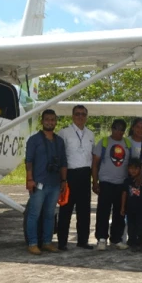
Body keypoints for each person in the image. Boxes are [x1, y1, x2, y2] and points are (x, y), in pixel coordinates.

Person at [24, 109, 68, 255]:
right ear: (42, 121)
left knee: (50, 214)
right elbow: (29, 161)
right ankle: (32, 243)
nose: (50, 122)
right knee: (34, 214)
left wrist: (64, 180)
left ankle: (47, 242)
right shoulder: (34, 140)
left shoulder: (59, 141)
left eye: (53, 119)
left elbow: (63, 163)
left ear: (56, 122)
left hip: (55, 183)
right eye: (47, 119)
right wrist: (29, 179)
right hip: (38, 183)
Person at [57, 104, 96, 250]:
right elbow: (61, 157)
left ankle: (83, 241)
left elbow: (93, 157)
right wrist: (62, 179)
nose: (80, 117)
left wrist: (94, 179)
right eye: (78, 114)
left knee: (84, 210)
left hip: (85, 174)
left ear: (86, 116)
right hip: (70, 175)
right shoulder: (64, 132)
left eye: (83, 114)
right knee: (65, 210)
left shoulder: (91, 134)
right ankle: (62, 242)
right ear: (73, 116)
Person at [92, 118, 131, 251]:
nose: (118, 131)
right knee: (103, 211)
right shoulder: (104, 142)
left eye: (121, 129)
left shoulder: (127, 144)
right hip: (106, 182)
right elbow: (95, 164)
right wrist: (95, 181)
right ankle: (101, 239)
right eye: (116, 128)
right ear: (112, 129)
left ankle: (116, 239)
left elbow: (132, 164)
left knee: (120, 213)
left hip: (121, 184)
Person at [121, 158, 142, 252]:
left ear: (140, 169)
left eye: (136, 168)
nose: (133, 171)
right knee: (131, 226)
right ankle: (132, 242)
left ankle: (141, 243)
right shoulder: (127, 181)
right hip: (130, 208)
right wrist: (122, 207)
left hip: (140, 208)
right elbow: (124, 194)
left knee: (141, 226)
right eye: (131, 168)